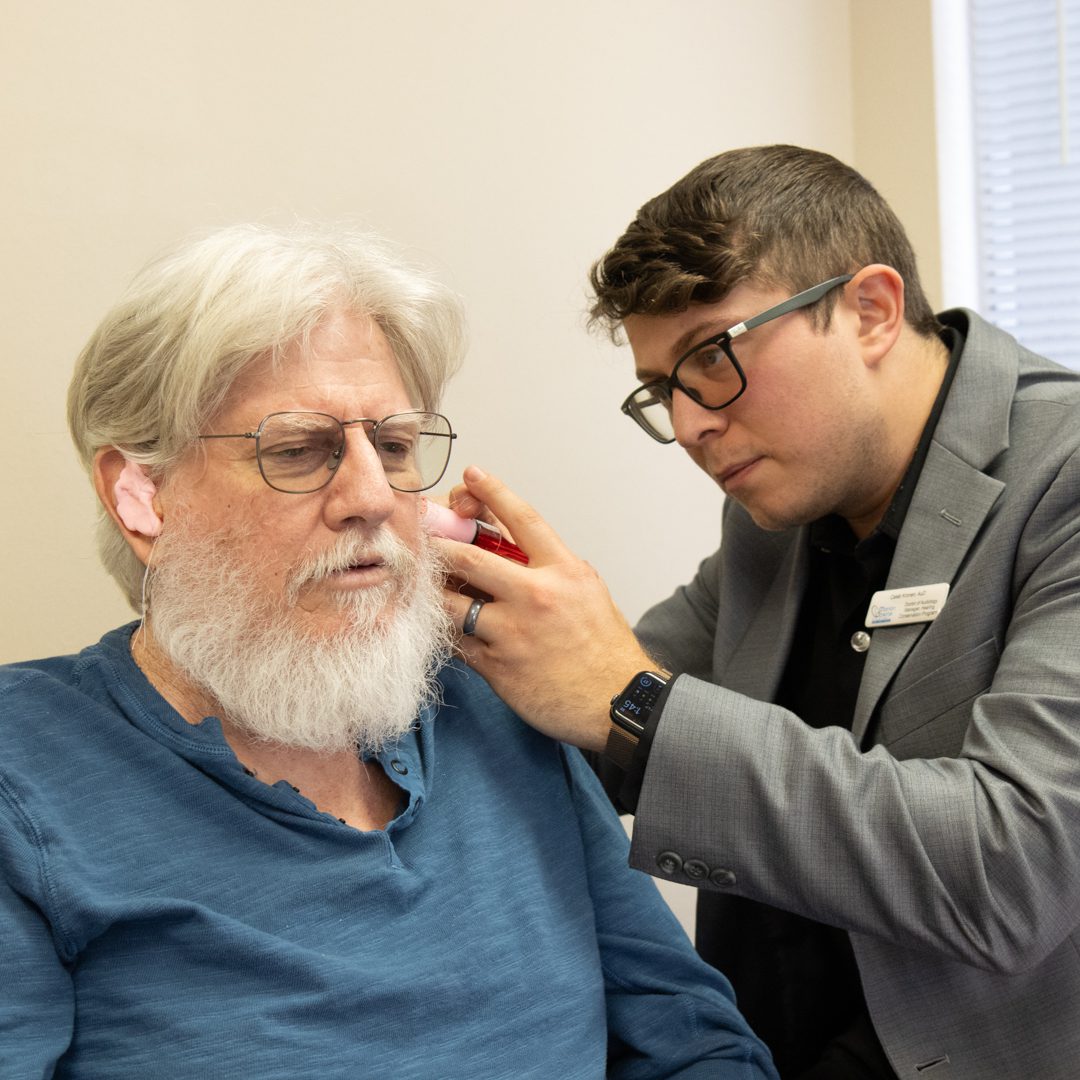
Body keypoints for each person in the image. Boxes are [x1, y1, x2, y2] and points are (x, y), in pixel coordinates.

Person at [0, 223, 778, 1080]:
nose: (373, 496)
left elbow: (695, 1046)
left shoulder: (492, 709)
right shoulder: (23, 774)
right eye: (298, 450)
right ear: (140, 497)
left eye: (397, 446)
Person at [435, 145, 1080, 1080]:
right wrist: (456, 626)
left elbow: (1012, 871)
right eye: (664, 391)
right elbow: (582, 709)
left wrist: (631, 699)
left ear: (871, 311)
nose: (692, 423)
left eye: (712, 359)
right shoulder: (777, 512)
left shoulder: (1061, 483)